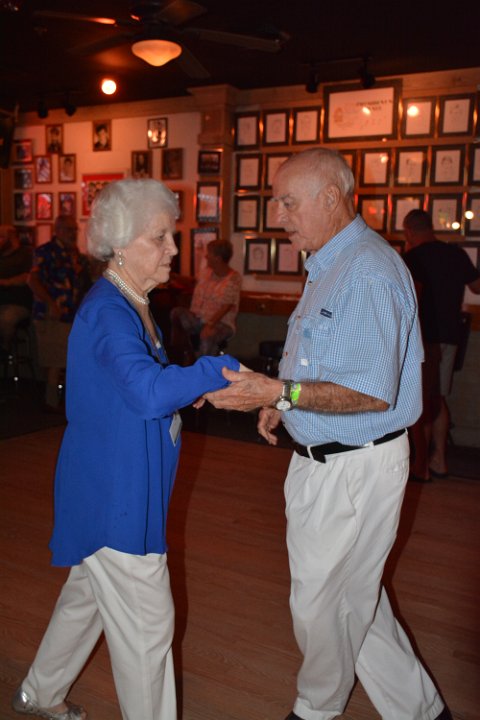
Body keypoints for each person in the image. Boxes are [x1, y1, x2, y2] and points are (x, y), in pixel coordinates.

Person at [204, 149, 453, 720]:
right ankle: (422, 712)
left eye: (289, 203)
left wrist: (281, 392)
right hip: (325, 461)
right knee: (354, 600)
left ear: (332, 198)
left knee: (322, 606)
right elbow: (322, 362)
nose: (279, 216)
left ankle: (315, 710)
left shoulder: (367, 270)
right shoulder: (330, 263)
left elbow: (372, 392)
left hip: (356, 465)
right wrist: (283, 403)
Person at [12, 178, 243, 720]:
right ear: (120, 243)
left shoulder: (131, 302)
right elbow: (144, 391)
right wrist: (213, 371)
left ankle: (38, 693)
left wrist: (183, 389)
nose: (173, 249)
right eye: (159, 237)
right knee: (147, 626)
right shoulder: (111, 312)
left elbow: (138, 384)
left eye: (171, 236)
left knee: (87, 599)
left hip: (112, 481)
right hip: (115, 492)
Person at [403, 209, 480, 481]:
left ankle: (422, 465)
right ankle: (440, 460)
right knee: (439, 397)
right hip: (451, 335)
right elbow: (477, 287)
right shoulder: (455, 254)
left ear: (409, 231)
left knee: (421, 399)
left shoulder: (411, 259)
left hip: (423, 337)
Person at [28, 215, 92, 411]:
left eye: (75, 230)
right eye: (69, 229)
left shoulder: (74, 253)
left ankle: (66, 402)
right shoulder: (45, 252)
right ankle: (51, 402)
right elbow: (33, 280)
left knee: (68, 358)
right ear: (58, 230)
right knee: (55, 359)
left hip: (72, 314)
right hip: (52, 314)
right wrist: (51, 304)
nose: (73, 234)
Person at [169, 239, 241, 363]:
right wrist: (173, 276)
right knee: (177, 313)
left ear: (218, 258)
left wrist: (210, 324)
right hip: (198, 319)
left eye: (209, 253)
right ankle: (181, 356)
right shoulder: (206, 271)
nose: (206, 256)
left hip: (221, 323)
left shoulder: (233, 278)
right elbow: (193, 282)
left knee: (208, 335)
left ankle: (203, 369)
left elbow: (226, 306)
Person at [0, 225, 33, 360]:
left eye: (1, 237)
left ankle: (5, 348)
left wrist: (6, 282)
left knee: (6, 319)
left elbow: (27, 277)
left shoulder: (26, 254)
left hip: (17, 302)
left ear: (12, 237)